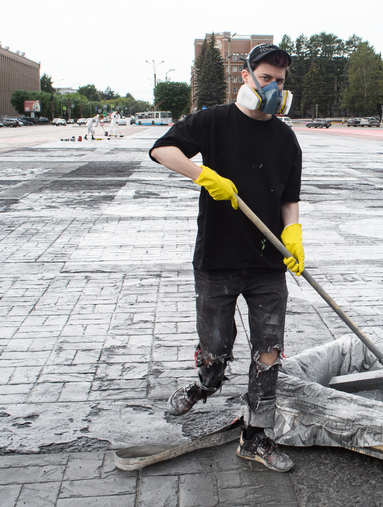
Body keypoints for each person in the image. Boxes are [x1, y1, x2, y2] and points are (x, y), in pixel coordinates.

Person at [149, 43, 302, 473]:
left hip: (267, 264)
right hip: (217, 259)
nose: (273, 88)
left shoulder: (287, 138)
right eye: (267, 78)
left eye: (281, 82)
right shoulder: (214, 121)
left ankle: (256, 436)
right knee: (216, 350)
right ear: (246, 77)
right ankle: (205, 384)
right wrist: (203, 174)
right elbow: (163, 150)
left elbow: (289, 199)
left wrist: (294, 234)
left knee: (268, 350)